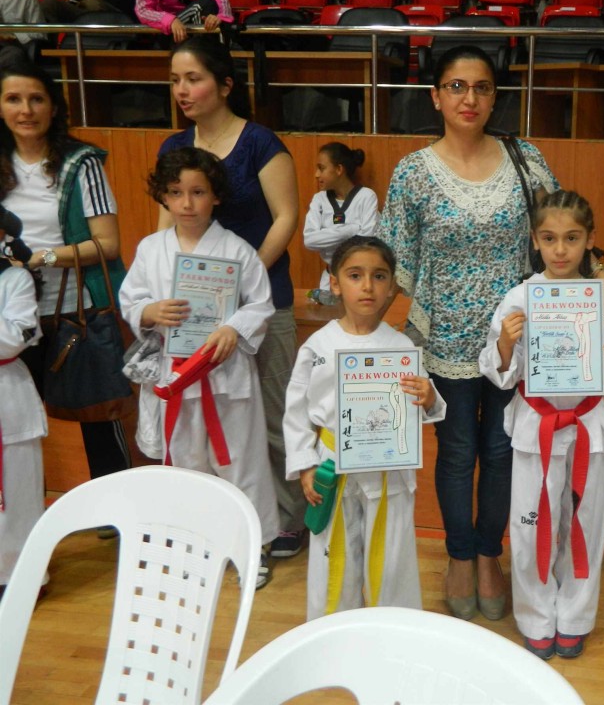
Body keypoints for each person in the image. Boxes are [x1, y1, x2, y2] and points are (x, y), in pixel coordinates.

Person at [377, 44, 560, 623]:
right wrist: (359, 328)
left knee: (503, 452)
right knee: (457, 453)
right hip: (445, 342)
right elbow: (394, 262)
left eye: (481, 87)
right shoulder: (412, 172)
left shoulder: (526, 159)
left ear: (494, 96)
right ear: (435, 96)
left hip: (515, 341)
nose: (469, 98)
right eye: (456, 87)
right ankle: (459, 556)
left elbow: (559, 234)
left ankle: (488, 554)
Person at [479, 189, 604, 660]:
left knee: (584, 524)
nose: (561, 249)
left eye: (572, 238)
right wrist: (505, 344)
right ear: (535, 240)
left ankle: (574, 618)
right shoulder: (519, 298)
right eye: (549, 239)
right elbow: (497, 370)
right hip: (536, 426)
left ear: (590, 239)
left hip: (588, 425)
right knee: (531, 525)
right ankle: (535, 616)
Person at [160, 36, 302, 561]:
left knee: (273, 416)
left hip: (263, 301)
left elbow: (286, 217)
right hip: (197, 314)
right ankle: (222, 520)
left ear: (224, 84)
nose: (182, 90)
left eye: (193, 79)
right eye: (175, 80)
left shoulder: (260, 143)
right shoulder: (173, 147)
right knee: (211, 419)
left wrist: (245, 282)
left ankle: (287, 519)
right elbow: (165, 228)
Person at [119, 147, 279, 587]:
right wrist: (148, 311)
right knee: (185, 463)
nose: (187, 203)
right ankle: (193, 547)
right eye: (176, 192)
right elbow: (131, 299)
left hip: (225, 374)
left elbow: (260, 304)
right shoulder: (150, 249)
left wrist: (233, 328)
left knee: (241, 460)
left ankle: (252, 548)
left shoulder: (237, 250)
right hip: (174, 373)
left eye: (197, 192)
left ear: (216, 196)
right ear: (163, 196)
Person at [284, 235, 446, 619]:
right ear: (335, 283)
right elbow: (297, 411)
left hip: (388, 469)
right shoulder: (318, 345)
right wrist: (305, 464)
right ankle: (332, 634)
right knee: (333, 561)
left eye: (379, 276)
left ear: (391, 286)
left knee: (391, 561)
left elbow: (425, 404)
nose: (368, 286)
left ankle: (391, 633)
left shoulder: (401, 347)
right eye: (355, 275)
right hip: (331, 465)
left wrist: (428, 397)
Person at [0, 61, 132, 487]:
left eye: (36, 99)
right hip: (12, 318)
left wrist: (43, 259)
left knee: (99, 425)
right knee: (15, 432)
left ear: (54, 107)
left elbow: (106, 244)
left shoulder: (81, 163)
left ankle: (118, 510)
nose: (26, 110)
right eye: (13, 99)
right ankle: (21, 514)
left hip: (77, 314)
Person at [0, 206, 46, 598]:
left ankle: (21, 577)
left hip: (8, 397)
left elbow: (14, 339)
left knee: (17, 495)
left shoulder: (15, 279)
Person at [303, 142, 378, 294]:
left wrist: (326, 234)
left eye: (321, 168)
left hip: (359, 279)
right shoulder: (319, 200)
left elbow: (366, 241)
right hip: (329, 278)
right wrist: (351, 230)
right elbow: (309, 240)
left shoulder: (366, 196)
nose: (316, 174)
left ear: (339, 169)